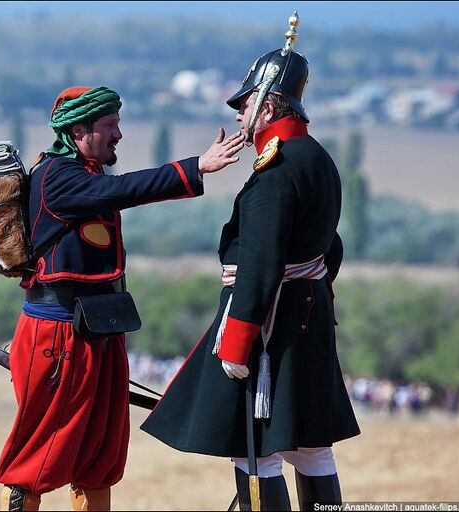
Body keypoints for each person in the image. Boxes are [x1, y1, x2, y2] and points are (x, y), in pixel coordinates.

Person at [140, 15, 360, 511]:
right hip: (306, 315)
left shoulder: (276, 170)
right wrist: (313, 296)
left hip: (268, 327)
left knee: (253, 452)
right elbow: (332, 247)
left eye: (245, 105)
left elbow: (260, 263)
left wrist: (237, 341)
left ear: (269, 106)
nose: (239, 116)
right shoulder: (316, 157)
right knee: (312, 449)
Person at [0, 85, 245, 511]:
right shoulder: (57, 176)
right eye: (109, 125)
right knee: (37, 459)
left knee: (99, 456)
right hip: (60, 336)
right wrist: (194, 167)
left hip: (97, 329)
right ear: (79, 129)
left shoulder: (85, 173)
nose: (119, 134)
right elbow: (127, 189)